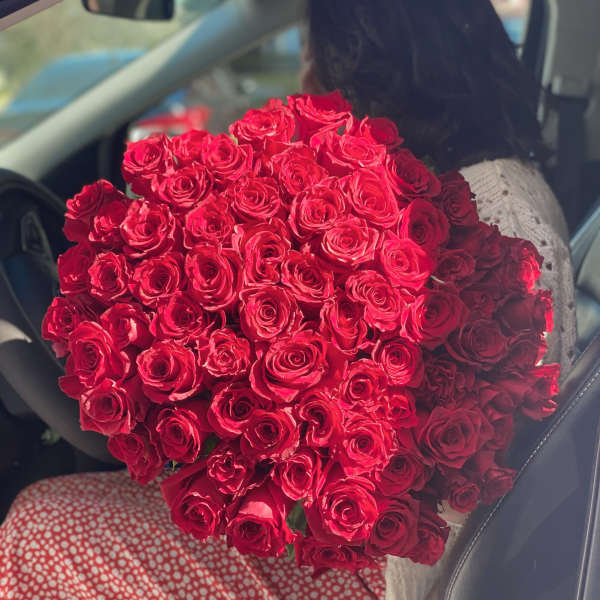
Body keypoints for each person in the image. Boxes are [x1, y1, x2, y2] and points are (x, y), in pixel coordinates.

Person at [0, 1, 577, 599]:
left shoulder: (490, 208)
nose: (304, 78)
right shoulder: (478, 181)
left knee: (42, 526)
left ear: (375, 68)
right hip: (379, 537)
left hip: (394, 566)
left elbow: (462, 491)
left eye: (313, 56)